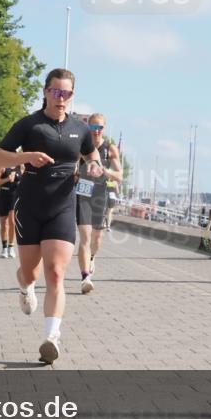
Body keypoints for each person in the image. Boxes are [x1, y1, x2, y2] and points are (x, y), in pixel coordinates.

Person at [0, 68, 103, 364]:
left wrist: (93, 165)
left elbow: (92, 155)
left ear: (72, 96)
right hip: (29, 207)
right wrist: (25, 157)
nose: (61, 98)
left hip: (62, 208)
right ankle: (25, 287)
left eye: (66, 93)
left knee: (55, 273)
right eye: (56, 92)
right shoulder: (29, 125)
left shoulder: (80, 129)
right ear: (45, 92)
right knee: (31, 272)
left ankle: (51, 337)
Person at [75, 114, 123, 293]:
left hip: (100, 194)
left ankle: (92, 257)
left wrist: (106, 171)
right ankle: (85, 276)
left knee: (97, 239)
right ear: (88, 128)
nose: (96, 131)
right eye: (93, 128)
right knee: (85, 237)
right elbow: (72, 166)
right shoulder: (82, 147)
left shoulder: (110, 149)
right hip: (83, 192)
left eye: (99, 128)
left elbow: (120, 175)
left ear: (104, 129)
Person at [0, 164, 21, 258]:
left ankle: (11, 246)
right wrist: (7, 179)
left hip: (14, 197)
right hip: (3, 197)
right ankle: (4, 248)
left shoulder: (21, 166)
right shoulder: (2, 166)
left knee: (12, 222)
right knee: (4, 225)